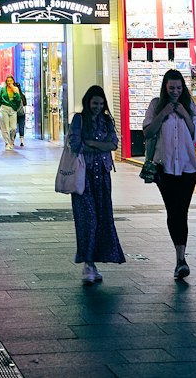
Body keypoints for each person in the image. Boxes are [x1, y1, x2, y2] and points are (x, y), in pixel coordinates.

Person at [142, 68, 196, 279]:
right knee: (172, 210)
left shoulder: (190, 106)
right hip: (164, 167)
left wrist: (185, 114)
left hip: (187, 167)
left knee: (182, 211)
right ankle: (180, 258)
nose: (175, 92)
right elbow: (147, 132)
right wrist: (163, 113)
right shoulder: (155, 104)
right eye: (171, 88)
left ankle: (181, 258)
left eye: (178, 88)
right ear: (165, 88)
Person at [68, 85, 125, 283]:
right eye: (95, 103)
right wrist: (101, 146)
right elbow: (75, 145)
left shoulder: (107, 120)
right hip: (83, 176)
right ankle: (88, 264)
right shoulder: (79, 119)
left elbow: (114, 144)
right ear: (87, 102)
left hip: (103, 175)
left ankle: (92, 263)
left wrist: (91, 143)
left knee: (102, 219)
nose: (98, 107)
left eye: (101, 104)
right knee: (88, 219)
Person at [0, 75, 24, 149]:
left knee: (13, 128)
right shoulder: (3, 89)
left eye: (10, 81)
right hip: (4, 108)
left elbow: (18, 100)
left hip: (13, 109)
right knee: (5, 127)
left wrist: (15, 92)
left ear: (13, 82)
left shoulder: (16, 89)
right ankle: (7, 143)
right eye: (8, 81)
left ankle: (11, 141)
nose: (9, 82)